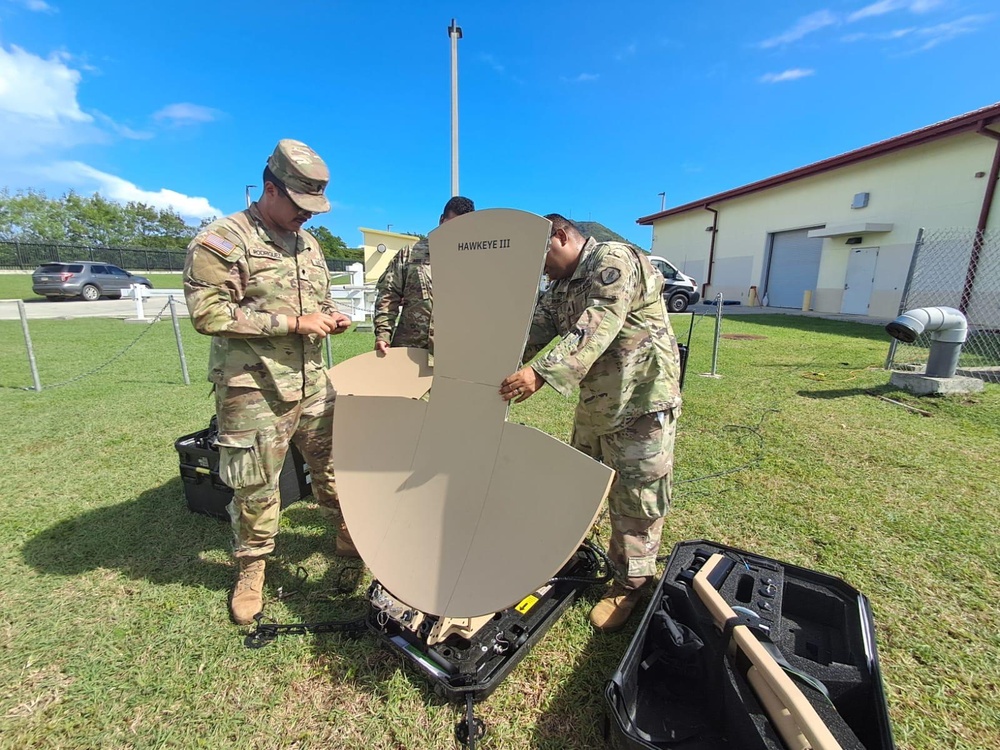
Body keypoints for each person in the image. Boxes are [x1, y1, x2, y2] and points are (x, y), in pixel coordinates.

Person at [183, 139, 355, 626]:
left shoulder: (309, 244)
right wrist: (292, 325)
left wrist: (327, 317)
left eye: (314, 208)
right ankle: (252, 569)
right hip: (253, 388)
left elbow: (313, 303)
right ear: (270, 190)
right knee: (255, 484)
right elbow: (208, 313)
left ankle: (348, 530)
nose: (307, 217)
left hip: (314, 382)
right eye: (300, 206)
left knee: (337, 464)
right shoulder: (223, 240)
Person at [499, 214, 683, 633]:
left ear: (561, 237)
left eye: (540, 258)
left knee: (637, 495)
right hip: (599, 401)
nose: (540, 271)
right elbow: (532, 330)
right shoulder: (561, 284)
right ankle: (570, 552)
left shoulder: (613, 260)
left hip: (642, 402)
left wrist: (539, 373)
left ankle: (631, 582)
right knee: (579, 480)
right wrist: (491, 357)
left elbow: (599, 321)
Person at [372, 196, 475, 354]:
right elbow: (388, 293)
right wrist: (383, 334)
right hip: (410, 348)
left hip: (455, 351)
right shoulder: (410, 253)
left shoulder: (476, 257)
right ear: (441, 220)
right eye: (452, 225)